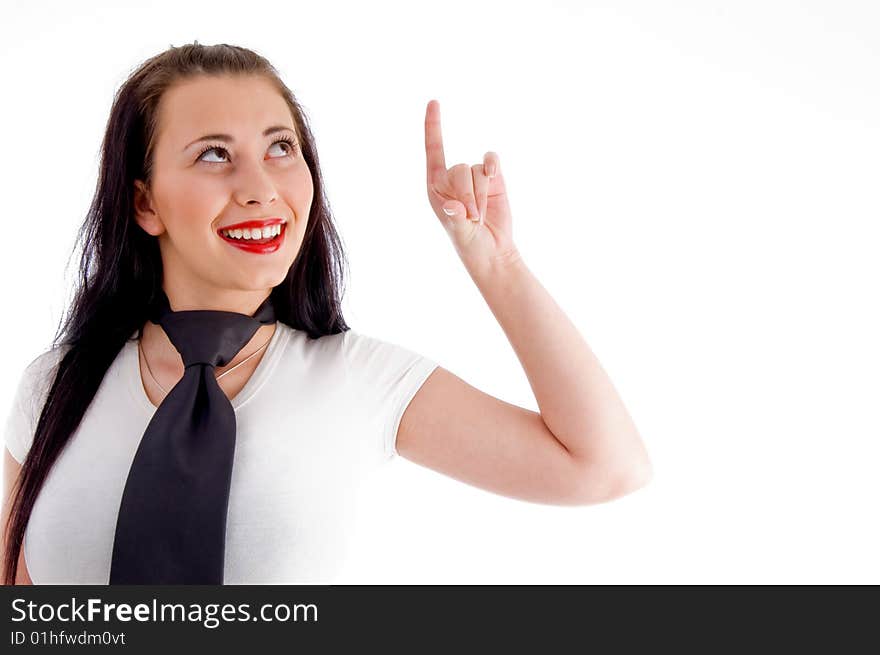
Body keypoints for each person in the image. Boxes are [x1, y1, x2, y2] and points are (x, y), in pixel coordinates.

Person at [1, 42, 652, 585]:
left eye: (280, 147)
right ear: (144, 203)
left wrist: (497, 264)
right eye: (214, 154)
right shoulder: (53, 386)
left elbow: (603, 465)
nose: (261, 188)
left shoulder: (360, 380)